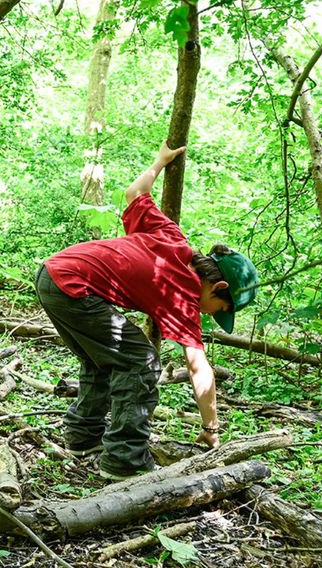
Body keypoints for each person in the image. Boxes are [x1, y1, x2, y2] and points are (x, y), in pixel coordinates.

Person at [35, 141, 258, 480]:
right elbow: (200, 370)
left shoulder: (172, 237)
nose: (212, 314)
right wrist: (212, 428)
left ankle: (82, 438)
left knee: (103, 360)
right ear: (219, 287)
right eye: (220, 308)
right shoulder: (184, 294)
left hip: (53, 273)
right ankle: (125, 460)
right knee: (139, 361)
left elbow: (134, 191)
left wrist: (161, 160)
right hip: (73, 287)